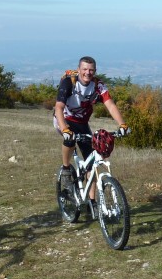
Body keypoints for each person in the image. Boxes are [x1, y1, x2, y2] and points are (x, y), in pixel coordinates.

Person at [53, 56, 129, 215]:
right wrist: (65, 130)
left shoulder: (98, 85)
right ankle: (66, 169)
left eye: (91, 70)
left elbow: (110, 104)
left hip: (82, 122)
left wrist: (122, 124)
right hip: (64, 119)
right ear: (79, 69)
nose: (88, 73)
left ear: (95, 71)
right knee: (70, 141)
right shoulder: (69, 82)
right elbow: (59, 107)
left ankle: (92, 201)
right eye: (85, 69)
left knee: (92, 160)